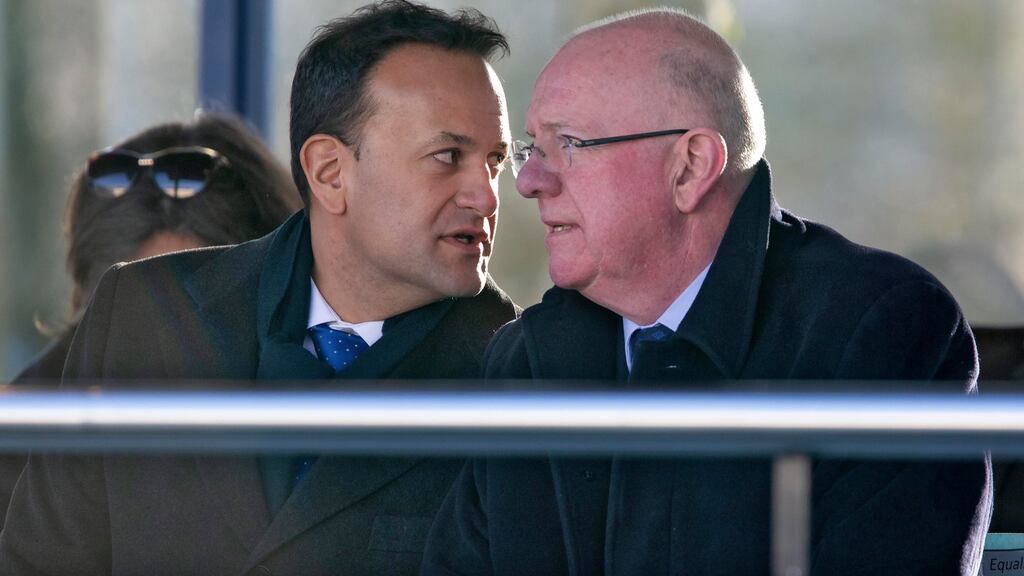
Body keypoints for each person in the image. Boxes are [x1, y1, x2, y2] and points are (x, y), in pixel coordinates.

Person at [423, 9, 990, 576]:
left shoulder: (879, 335)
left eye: (569, 143)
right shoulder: (526, 360)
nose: (527, 182)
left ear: (691, 167)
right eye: (533, 149)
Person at [0, 1, 517, 574]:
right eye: (448, 156)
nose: (488, 195)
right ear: (329, 173)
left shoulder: (523, 375)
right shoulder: (139, 312)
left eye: (494, 161)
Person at [0, 112, 300, 523]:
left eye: (193, 314)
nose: (164, 350)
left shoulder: (314, 415)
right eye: (135, 315)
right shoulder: (24, 446)